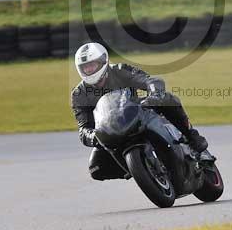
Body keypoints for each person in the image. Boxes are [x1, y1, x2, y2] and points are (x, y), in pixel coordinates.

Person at [70, 42, 209, 181]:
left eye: (92, 65)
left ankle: (192, 136)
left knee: (167, 99)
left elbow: (150, 81)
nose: (89, 69)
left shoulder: (120, 70)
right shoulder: (78, 94)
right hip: (111, 131)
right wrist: (94, 136)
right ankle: (137, 169)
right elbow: (83, 129)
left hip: (136, 113)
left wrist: (155, 94)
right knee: (96, 169)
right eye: (85, 67)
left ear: (103, 61)